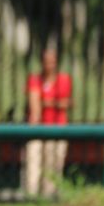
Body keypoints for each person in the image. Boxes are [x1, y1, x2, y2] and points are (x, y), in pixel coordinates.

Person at [24, 48, 72, 197]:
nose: (49, 65)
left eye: (52, 62)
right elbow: (34, 103)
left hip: (57, 128)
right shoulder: (35, 79)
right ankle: (31, 195)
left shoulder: (64, 80)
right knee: (33, 162)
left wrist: (47, 102)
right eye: (46, 62)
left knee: (53, 164)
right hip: (38, 127)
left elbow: (67, 103)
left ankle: (49, 196)